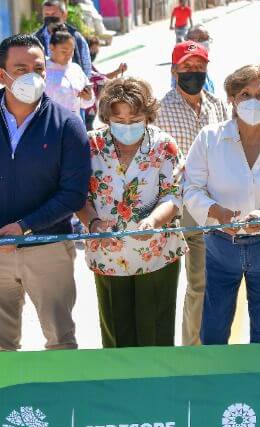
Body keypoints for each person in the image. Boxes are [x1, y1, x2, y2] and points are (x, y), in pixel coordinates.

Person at [0, 34, 90, 352]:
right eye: (21, 67)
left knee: (60, 340)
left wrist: (25, 226)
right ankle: (9, 403)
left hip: (48, 249)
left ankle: (60, 402)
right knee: (1, 345)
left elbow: (72, 193)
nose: (33, 74)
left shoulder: (67, 125)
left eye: (38, 67)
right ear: (1, 75)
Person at [182, 64, 260, 344]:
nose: (253, 101)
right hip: (219, 247)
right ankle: (217, 381)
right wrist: (216, 212)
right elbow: (190, 188)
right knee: (213, 330)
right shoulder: (209, 138)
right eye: (244, 94)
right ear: (231, 99)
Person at [79, 78, 185, 348]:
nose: (127, 125)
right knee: (117, 333)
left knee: (156, 332)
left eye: (135, 117)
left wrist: (153, 220)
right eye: (119, 118)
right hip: (108, 253)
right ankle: (119, 388)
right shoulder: (89, 146)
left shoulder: (164, 145)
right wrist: (92, 222)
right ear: (107, 116)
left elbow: (174, 193)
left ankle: (159, 386)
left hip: (156, 252)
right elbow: (75, 194)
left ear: (147, 115)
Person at [156, 40, 229, 346]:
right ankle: (193, 350)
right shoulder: (161, 109)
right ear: (175, 70)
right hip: (183, 206)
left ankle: (211, 344)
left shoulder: (216, 105)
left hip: (216, 204)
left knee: (216, 283)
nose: (194, 73)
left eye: (200, 67)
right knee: (197, 282)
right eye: (187, 67)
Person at [44, 26, 94, 118]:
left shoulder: (75, 69)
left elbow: (86, 103)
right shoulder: (42, 71)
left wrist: (88, 97)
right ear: (51, 47)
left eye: (72, 52)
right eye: (64, 51)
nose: (69, 55)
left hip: (74, 124)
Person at [37, 0, 93, 77]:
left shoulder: (76, 38)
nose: (50, 18)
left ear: (64, 15)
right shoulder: (35, 39)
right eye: (47, 14)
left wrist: (84, 86)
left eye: (53, 14)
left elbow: (86, 66)